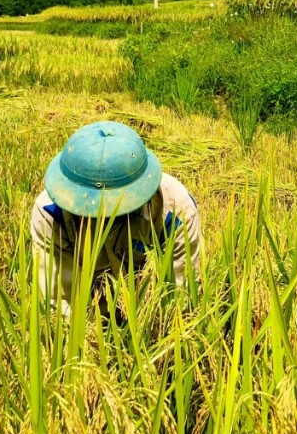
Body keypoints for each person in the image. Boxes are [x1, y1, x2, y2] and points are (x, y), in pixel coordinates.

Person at [31, 121, 202, 307]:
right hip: (86, 311)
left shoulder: (176, 210)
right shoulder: (50, 213)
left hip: (146, 311)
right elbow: (59, 300)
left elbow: (180, 295)